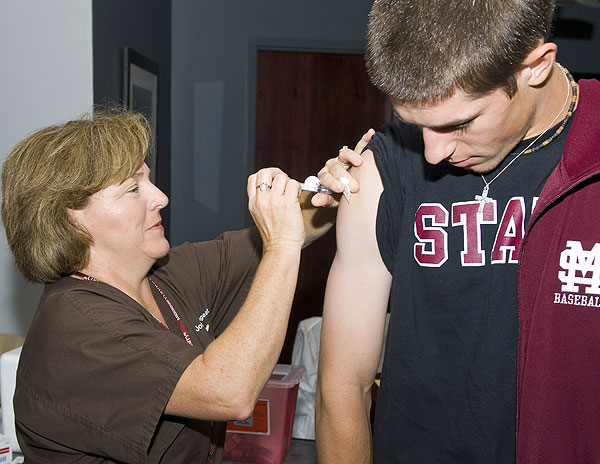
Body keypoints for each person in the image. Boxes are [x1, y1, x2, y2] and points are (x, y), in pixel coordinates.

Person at [315, 0, 600, 463]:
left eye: (461, 123)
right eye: (415, 125)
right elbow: (342, 386)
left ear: (536, 67)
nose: (432, 153)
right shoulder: (379, 171)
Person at [1, 106, 342, 463]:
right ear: (71, 219)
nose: (161, 197)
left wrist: (331, 189)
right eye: (133, 188)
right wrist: (281, 245)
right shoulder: (74, 327)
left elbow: (297, 225)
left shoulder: (166, 273)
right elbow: (230, 391)